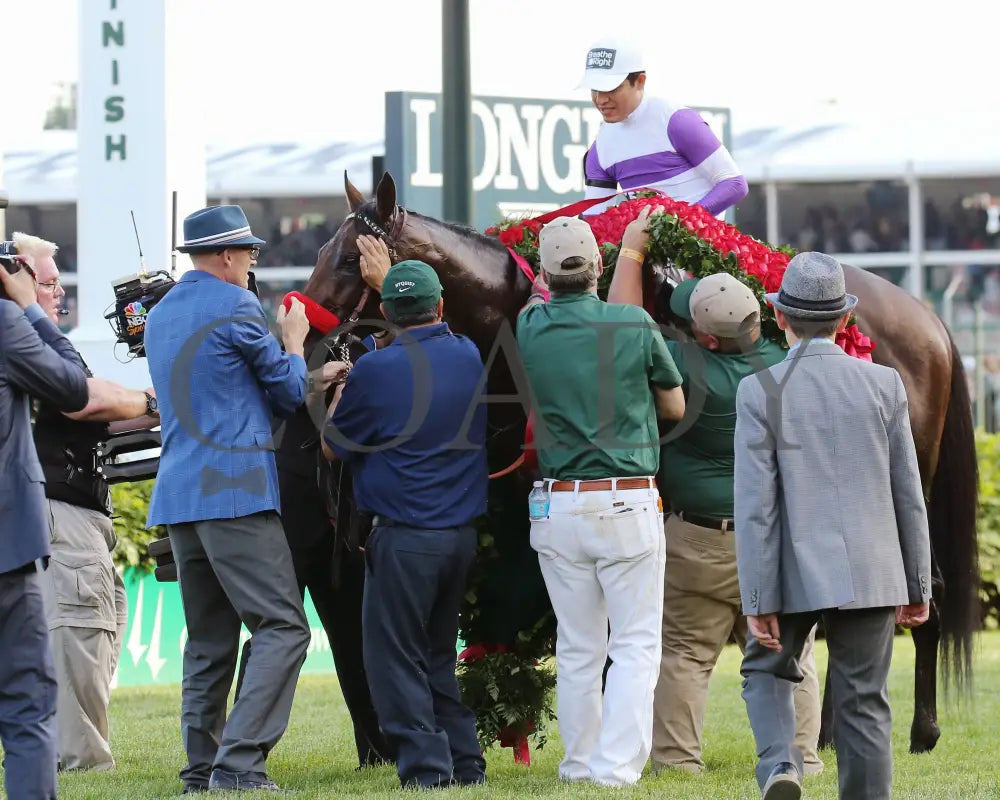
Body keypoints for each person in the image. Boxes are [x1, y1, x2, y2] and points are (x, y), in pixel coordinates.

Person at [607, 254, 824, 776]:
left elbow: (621, 327)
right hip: (779, 536)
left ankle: (679, 763)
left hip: (699, 538)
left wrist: (635, 253)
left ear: (706, 338)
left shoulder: (683, 362)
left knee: (685, 654)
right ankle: (804, 759)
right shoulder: (787, 363)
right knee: (794, 655)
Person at [734, 251, 932, 800]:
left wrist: (757, 595)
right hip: (873, 565)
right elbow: (907, 496)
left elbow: (757, 506)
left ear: (778, 317)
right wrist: (918, 584)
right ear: (846, 319)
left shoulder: (758, 391)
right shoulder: (886, 384)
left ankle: (780, 765)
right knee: (865, 699)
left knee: (766, 670)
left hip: (792, 564)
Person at [144, 205, 325, 793]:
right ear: (225, 255)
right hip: (235, 495)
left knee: (208, 642)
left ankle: (201, 769)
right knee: (283, 627)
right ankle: (240, 764)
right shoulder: (238, 304)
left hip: (179, 497)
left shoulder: (161, 313)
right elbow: (290, 390)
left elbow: (226, 389)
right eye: (249, 252)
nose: (252, 262)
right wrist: (295, 342)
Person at [516, 214, 685, 786]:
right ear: (599, 267)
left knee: (579, 645)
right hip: (625, 501)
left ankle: (580, 765)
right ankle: (613, 771)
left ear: (546, 272)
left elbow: (550, 298)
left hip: (559, 508)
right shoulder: (634, 323)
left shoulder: (531, 324)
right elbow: (676, 409)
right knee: (635, 644)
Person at [322, 259, 488, 790]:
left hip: (403, 538)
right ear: (439, 307)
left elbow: (332, 446)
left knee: (394, 659)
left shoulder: (374, 369)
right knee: (437, 655)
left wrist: (343, 388)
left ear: (387, 316)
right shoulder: (467, 354)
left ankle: (426, 770)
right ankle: (466, 764)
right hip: (458, 538)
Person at [11, 231, 159, 773]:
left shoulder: (32, 341)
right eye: (48, 283)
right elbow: (80, 397)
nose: (59, 296)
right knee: (79, 636)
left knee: (98, 626)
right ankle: (81, 764)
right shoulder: (26, 336)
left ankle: (65, 756)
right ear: (18, 277)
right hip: (61, 513)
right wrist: (150, 399)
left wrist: (157, 405)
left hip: (76, 515)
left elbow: (96, 406)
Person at [0, 255, 90, 800]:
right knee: (29, 706)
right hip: (8, 553)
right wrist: (30, 308)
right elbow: (74, 386)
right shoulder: (7, 323)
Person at [577, 37, 748, 218]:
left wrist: (680, 224)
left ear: (640, 81)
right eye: (594, 90)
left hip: (704, 242)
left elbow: (735, 184)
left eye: (611, 89)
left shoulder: (677, 121)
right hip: (643, 245)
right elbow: (595, 221)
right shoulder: (598, 150)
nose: (601, 100)